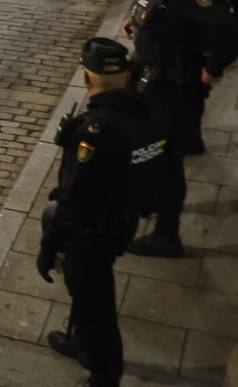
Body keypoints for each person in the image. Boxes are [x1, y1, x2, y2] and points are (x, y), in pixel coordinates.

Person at [38, 38, 167, 387]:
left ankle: (104, 373)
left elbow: (73, 199)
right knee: (91, 295)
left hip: (92, 230)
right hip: (123, 219)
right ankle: (83, 339)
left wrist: (49, 246)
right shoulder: (147, 112)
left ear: (87, 78)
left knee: (96, 304)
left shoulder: (93, 132)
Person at [125, 0, 238, 259]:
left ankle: (166, 235)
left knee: (167, 163)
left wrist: (213, 67)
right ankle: (149, 200)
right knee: (152, 153)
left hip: (174, 90)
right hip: (151, 82)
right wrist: (136, 28)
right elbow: (153, 16)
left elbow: (229, 29)